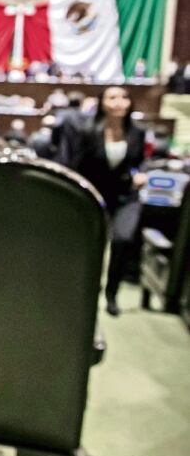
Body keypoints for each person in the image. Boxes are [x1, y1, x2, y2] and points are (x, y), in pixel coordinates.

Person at [58, 86, 146, 317]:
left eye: (124, 98)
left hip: (125, 197)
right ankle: (89, 290)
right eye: (113, 97)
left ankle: (112, 294)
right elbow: (75, 165)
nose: (119, 102)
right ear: (102, 102)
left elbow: (139, 162)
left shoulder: (137, 133)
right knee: (92, 244)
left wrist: (139, 174)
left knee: (122, 239)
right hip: (95, 195)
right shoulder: (87, 130)